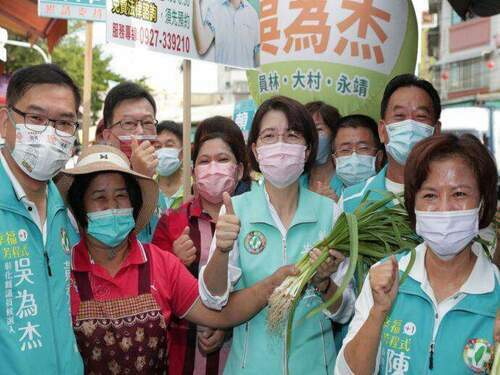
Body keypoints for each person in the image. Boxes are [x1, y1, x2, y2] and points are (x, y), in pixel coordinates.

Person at [56, 145, 296, 374]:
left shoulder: (160, 264)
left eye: (121, 196)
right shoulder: (62, 271)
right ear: (80, 207)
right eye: (99, 197)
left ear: (134, 202)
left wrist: (272, 284)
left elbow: (220, 313)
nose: (112, 206)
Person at [200, 96, 355, 374]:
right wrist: (221, 252)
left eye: (292, 135)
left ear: (307, 150)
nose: (281, 145)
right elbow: (213, 299)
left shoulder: (329, 213)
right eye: (270, 136)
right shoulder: (236, 211)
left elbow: (345, 311)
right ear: (256, 150)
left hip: (316, 367)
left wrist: (323, 284)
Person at [335, 134, 499, 375]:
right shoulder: (386, 278)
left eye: (459, 194)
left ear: (483, 204)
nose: (444, 208)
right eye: (430, 195)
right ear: (413, 206)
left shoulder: (495, 292)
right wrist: (378, 312)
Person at [152, 116, 251, 375]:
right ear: (194, 171)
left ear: (239, 170)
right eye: (204, 161)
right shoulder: (172, 222)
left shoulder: (255, 220)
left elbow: (260, 286)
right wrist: (174, 262)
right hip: (182, 356)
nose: (213, 168)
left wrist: (227, 325)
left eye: (223, 159)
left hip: (242, 357)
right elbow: (153, 294)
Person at [0, 64, 83, 373]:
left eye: (64, 122)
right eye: (36, 118)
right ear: (5, 122)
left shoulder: (69, 208)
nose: (51, 133)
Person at [340, 74, 441, 213]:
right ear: (382, 131)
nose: (410, 126)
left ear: (436, 131)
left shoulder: (454, 199)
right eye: (399, 116)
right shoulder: (350, 201)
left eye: (420, 116)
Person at [101, 81, 160, 242]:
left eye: (147, 122)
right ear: (107, 136)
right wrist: (139, 179)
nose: (140, 132)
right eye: (128, 123)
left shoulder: (157, 187)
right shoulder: (93, 184)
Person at [193, 0, 259, 67]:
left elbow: (258, 56)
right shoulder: (215, 9)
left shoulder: (253, 14)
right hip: (224, 75)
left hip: (246, 75)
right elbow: (202, 47)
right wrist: (196, 3)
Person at [302, 101, 342, 201]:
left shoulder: (347, 179)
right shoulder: (294, 181)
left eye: (318, 129)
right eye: (305, 131)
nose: (311, 136)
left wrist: (338, 207)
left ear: (334, 135)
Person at [332, 114, 384, 189]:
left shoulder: (393, 196)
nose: (354, 158)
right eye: (345, 150)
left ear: (379, 157)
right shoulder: (326, 197)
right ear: (334, 160)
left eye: (363, 148)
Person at [155, 120, 184, 212]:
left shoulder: (193, 188)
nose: (163, 152)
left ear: (182, 152)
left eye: (169, 145)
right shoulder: (147, 189)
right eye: (158, 147)